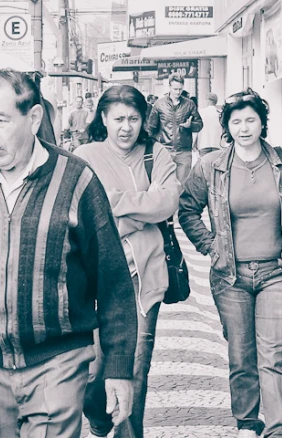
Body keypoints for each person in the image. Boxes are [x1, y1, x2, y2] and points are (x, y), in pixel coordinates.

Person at [0, 69, 138, 437]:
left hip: (58, 363)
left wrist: (118, 367)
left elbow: (113, 284)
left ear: (33, 118)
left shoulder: (76, 179)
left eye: (0, 119)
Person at [179, 89, 282, 438]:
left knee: (272, 355)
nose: (244, 128)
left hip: (279, 272)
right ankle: (246, 421)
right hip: (230, 275)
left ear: (262, 123)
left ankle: (278, 428)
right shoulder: (211, 166)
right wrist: (210, 246)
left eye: (250, 120)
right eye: (236, 121)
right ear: (227, 125)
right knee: (242, 356)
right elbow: (187, 209)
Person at [76, 85, 181, 438]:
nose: (126, 127)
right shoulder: (83, 156)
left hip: (142, 277)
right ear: (103, 118)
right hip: (92, 277)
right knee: (92, 369)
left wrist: (112, 204)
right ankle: (99, 415)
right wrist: (141, 210)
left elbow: (167, 203)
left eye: (133, 118)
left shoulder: (157, 154)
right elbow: (83, 214)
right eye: (118, 118)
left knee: (135, 366)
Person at [145, 72, 203, 183]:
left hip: (184, 151)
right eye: (175, 89)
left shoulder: (189, 104)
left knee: (183, 186)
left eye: (180, 89)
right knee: (164, 183)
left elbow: (199, 124)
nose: (178, 92)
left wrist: (190, 126)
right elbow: (151, 128)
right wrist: (152, 147)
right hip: (165, 150)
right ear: (170, 86)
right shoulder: (159, 104)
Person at [194, 93, 226, 157]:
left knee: (204, 164)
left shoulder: (201, 112)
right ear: (216, 102)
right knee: (216, 165)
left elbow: (196, 130)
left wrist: (194, 143)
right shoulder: (220, 114)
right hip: (217, 144)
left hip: (203, 143)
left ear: (207, 101)